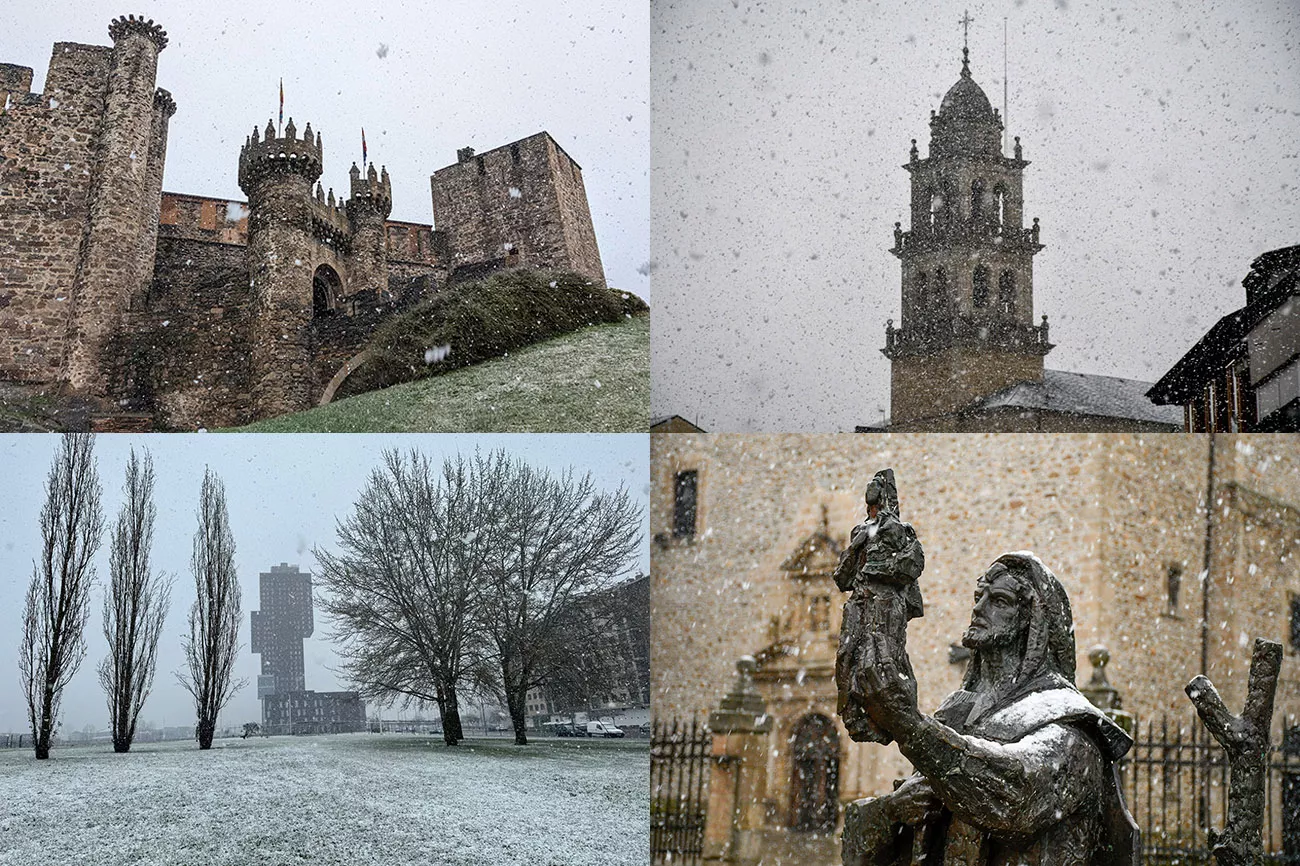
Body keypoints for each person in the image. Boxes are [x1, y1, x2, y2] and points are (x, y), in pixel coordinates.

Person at [842, 552, 1138, 866]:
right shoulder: (956, 714)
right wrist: (890, 811)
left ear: (1032, 620)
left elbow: (1016, 798)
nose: (979, 608)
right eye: (977, 596)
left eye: (998, 600)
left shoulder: (1069, 723)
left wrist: (908, 726)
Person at [833, 469, 924, 744]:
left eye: (876, 492)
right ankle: (854, 715)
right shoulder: (859, 532)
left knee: (882, 660)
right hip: (859, 603)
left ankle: (896, 717)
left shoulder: (901, 530)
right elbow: (842, 578)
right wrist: (855, 548)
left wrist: (879, 569)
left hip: (885, 604)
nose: (871, 501)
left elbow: (912, 565)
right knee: (847, 656)